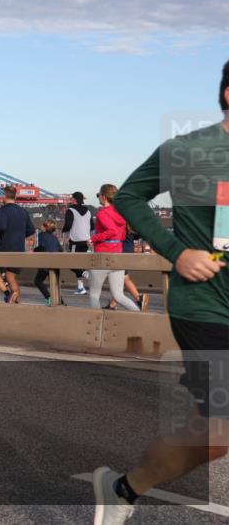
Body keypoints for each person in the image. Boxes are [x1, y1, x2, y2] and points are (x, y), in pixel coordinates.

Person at [92, 60, 228, 525]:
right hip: (206, 304)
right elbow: (129, 197)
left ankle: (122, 487)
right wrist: (176, 252)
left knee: (210, 436)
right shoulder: (190, 149)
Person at [85, 184, 141, 313]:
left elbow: (111, 231)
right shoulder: (121, 213)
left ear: (104, 197)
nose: (98, 197)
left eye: (99, 195)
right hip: (117, 257)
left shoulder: (102, 213)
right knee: (119, 295)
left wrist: (93, 239)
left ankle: (96, 323)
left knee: (94, 294)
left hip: (102, 256)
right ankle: (139, 316)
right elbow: (121, 235)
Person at [0, 185, 35, 304]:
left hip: (4, 247)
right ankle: (17, 304)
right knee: (11, 278)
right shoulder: (23, 211)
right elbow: (31, 230)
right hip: (18, 248)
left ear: (4, 196)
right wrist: (19, 236)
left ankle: (8, 294)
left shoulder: (3, 210)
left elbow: (1, 227)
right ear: (15, 196)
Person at [63, 191, 94, 295]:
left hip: (75, 241)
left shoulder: (70, 210)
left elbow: (68, 224)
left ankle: (86, 274)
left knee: (71, 263)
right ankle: (81, 288)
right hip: (86, 241)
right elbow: (92, 226)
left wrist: (64, 230)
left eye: (72, 198)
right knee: (80, 264)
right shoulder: (88, 211)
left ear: (74, 199)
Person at [33, 220, 66, 306]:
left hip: (46, 262)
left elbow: (41, 247)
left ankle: (49, 297)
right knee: (55, 283)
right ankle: (61, 302)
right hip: (56, 261)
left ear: (44, 227)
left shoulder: (41, 235)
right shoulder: (54, 237)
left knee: (38, 281)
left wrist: (34, 251)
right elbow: (60, 250)